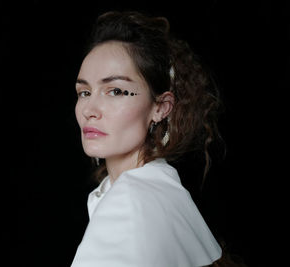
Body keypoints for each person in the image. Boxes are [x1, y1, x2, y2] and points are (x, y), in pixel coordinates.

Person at [71, 11, 225, 267]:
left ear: (161, 107)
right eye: (84, 92)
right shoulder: (163, 186)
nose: (89, 109)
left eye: (116, 91)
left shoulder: (129, 203)